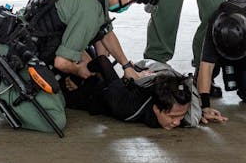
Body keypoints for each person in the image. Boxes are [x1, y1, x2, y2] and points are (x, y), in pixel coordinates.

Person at [0, 0, 152, 134]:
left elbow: (106, 33)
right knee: (55, 119)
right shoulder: (90, 8)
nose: (130, 4)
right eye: (134, 0)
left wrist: (127, 66)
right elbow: (62, 62)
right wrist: (80, 70)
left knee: (60, 100)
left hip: (19, 44)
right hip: (21, 55)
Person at [62, 55, 193, 130]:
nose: (177, 122)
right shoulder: (127, 106)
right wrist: (78, 72)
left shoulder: (169, 99)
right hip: (86, 94)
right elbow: (102, 61)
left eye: (181, 116)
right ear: (156, 109)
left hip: (110, 88)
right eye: (172, 117)